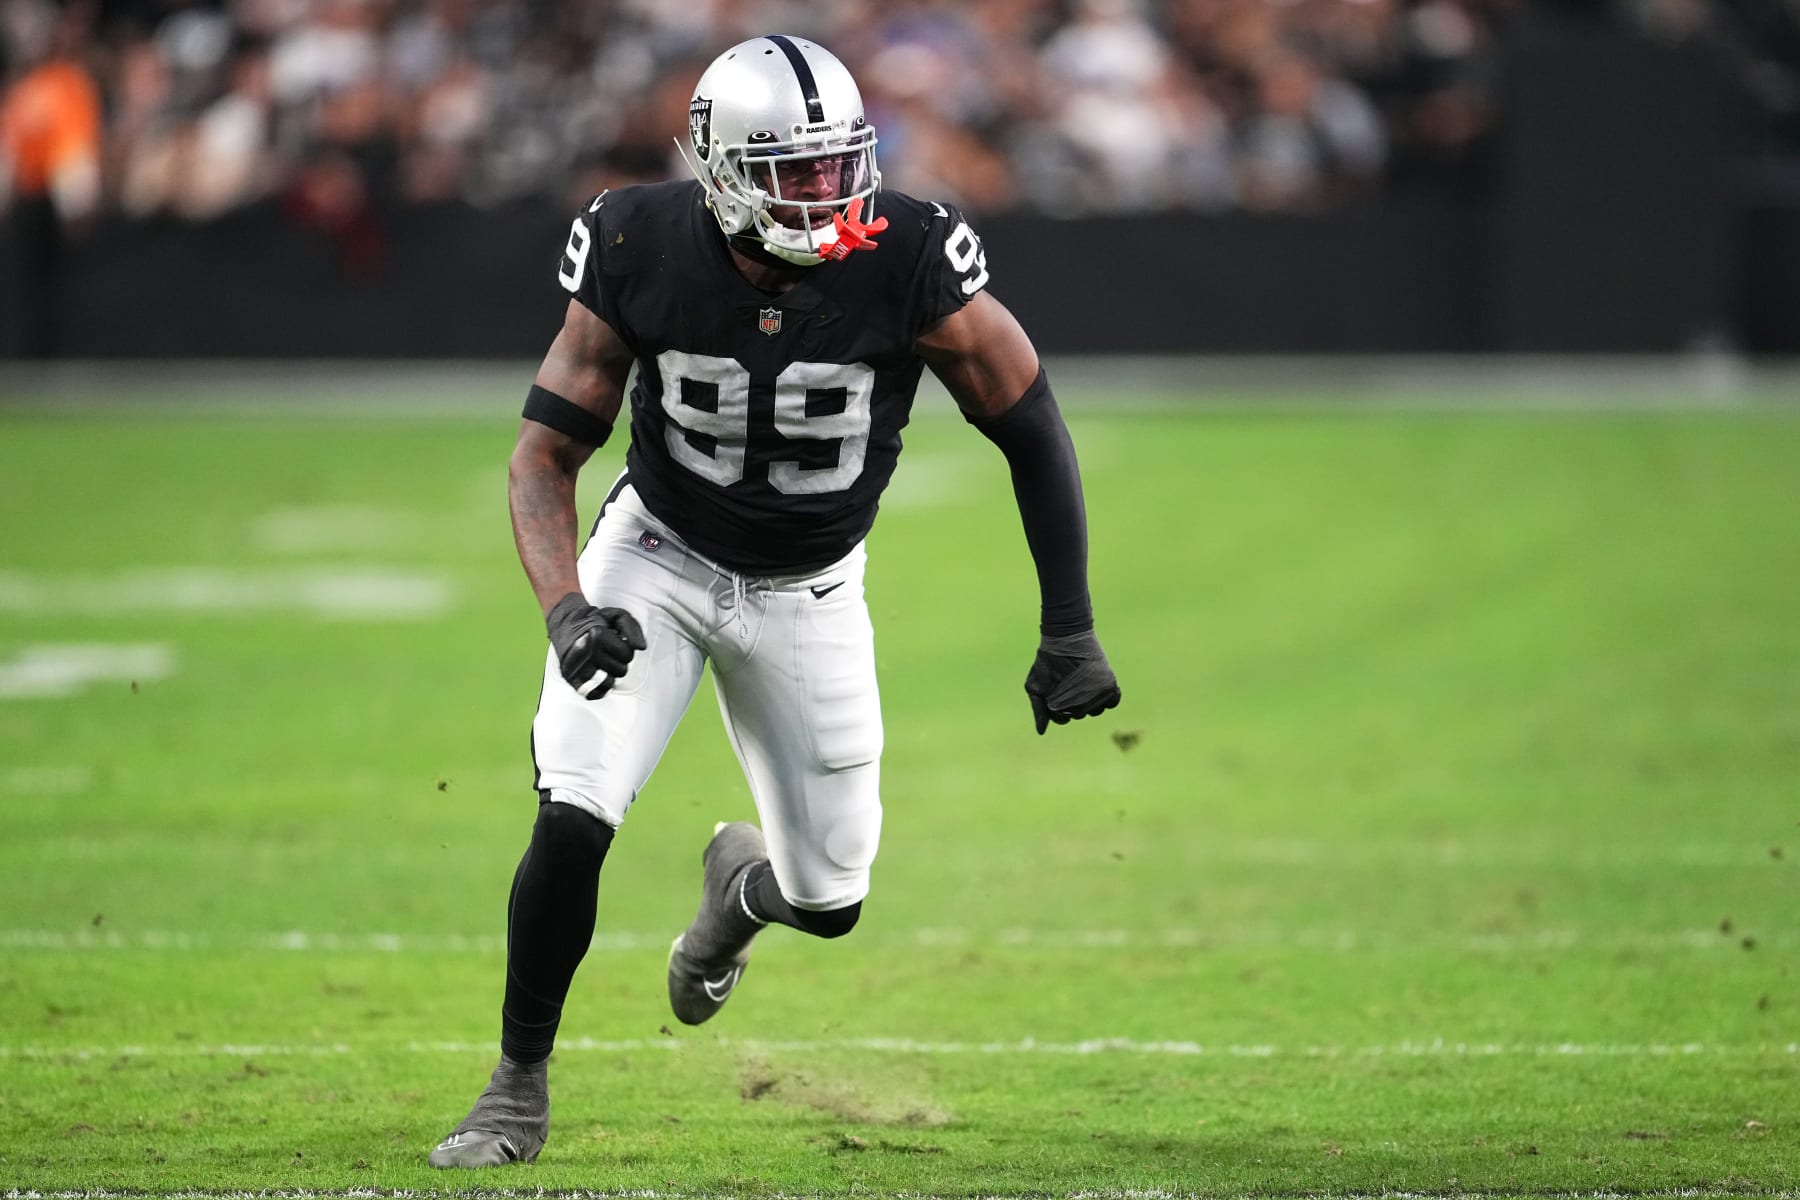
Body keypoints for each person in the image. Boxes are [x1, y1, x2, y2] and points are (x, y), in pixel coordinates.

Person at [429, 34, 1121, 1169]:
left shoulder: (906, 251)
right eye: (793, 170)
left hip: (811, 587)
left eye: (838, 162)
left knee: (834, 895)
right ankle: (515, 1086)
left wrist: (1070, 626)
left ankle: (737, 897)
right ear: (719, 167)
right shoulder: (636, 240)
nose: (826, 191)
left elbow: (1031, 422)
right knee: (575, 807)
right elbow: (541, 457)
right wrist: (566, 608)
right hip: (656, 554)